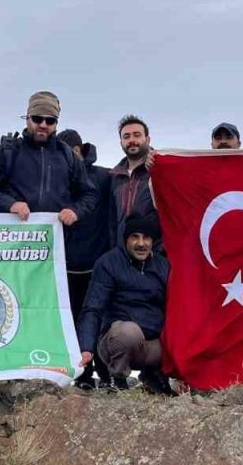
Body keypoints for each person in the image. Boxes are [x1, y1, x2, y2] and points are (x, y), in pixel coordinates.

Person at [0, 90, 96, 229]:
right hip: (10, 240)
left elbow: (89, 194)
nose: (43, 124)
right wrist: (10, 204)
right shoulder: (8, 150)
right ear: (27, 118)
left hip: (56, 241)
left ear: (56, 124)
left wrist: (75, 211)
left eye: (50, 120)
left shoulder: (68, 155)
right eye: (37, 118)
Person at [77, 216, 172, 394]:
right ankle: (117, 377)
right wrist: (86, 348)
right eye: (135, 237)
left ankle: (155, 376)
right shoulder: (108, 263)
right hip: (118, 341)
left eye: (147, 238)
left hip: (153, 344)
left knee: (180, 337)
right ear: (125, 239)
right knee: (129, 333)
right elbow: (92, 309)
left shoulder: (163, 266)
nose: (141, 243)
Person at [57, 128, 112, 388]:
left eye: (72, 152)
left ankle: (107, 373)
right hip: (61, 265)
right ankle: (81, 374)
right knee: (68, 319)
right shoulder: (54, 178)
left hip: (96, 262)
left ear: (80, 150)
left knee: (97, 318)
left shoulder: (103, 177)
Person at [108, 115, 158, 243]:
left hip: (154, 253)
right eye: (126, 136)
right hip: (122, 253)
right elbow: (112, 219)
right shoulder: (115, 176)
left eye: (137, 135)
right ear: (121, 143)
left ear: (147, 139)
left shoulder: (160, 170)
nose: (132, 140)